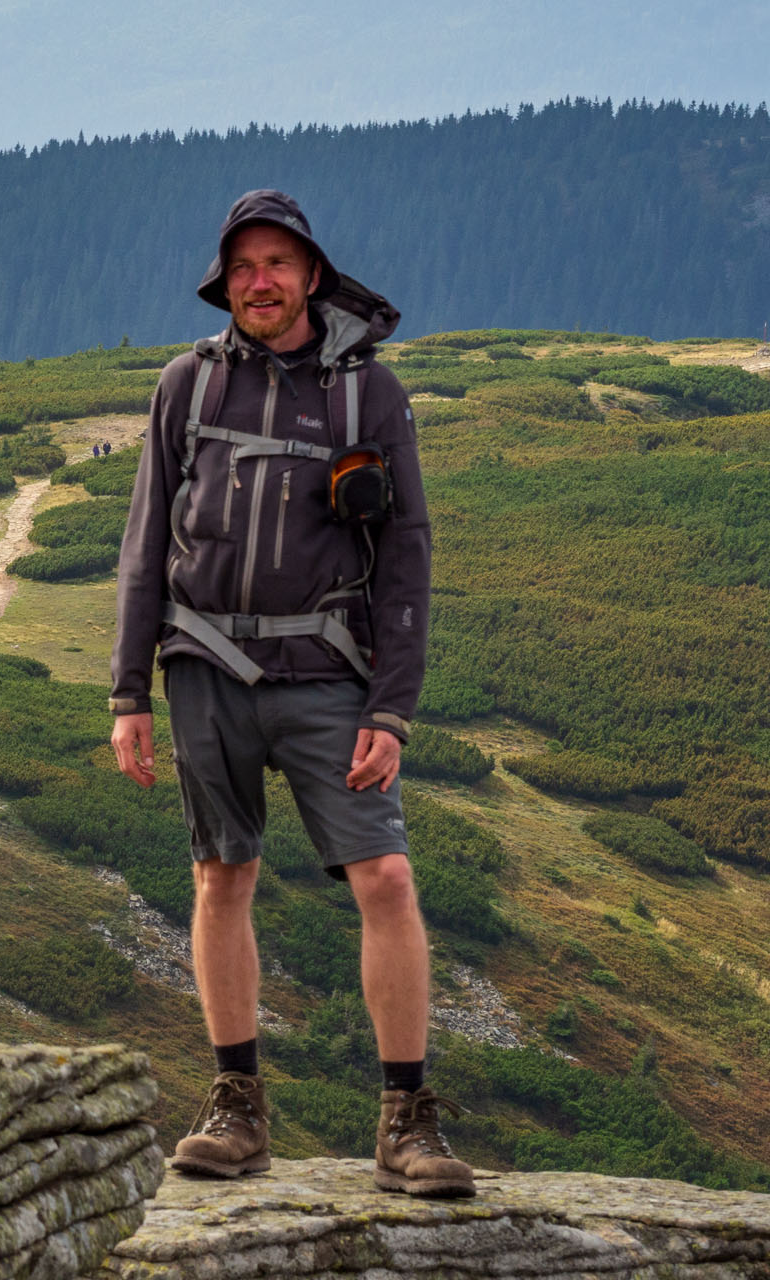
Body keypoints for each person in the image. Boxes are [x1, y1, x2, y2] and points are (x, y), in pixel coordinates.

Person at [109, 190, 470, 1198]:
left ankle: (407, 1117)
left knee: (386, 878)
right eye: (242, 267)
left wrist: (391, 707)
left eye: (277, 263)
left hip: (329, 678)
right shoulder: (186, 384)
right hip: (203, 672)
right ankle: (237, 1105)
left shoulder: (373, 399)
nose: (258, 282)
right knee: (221, 877)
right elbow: (145, 543)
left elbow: (408, 554)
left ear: (313, 274)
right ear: (224, 281)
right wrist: (127, 690)